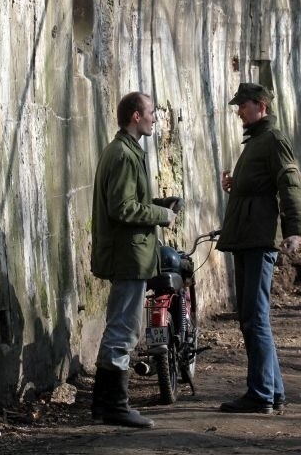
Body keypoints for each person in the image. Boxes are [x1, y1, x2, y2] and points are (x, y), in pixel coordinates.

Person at [216, 82, 301, 414]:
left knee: (254, 318)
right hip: (247, 237)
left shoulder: (273, 140)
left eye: (243, 105)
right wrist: (235, 185)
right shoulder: (256, 141)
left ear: (261, 105)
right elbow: (261, 184)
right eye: (238, 106)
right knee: (251, 317)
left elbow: (290, 182)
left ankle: (260, 395)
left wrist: (296, 230)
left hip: (259, 240)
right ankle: (274, 391)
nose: (239, 110)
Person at [90, 91, 180, 428]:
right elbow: (122, 207)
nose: (155, 117)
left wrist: (158, 203)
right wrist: (161, 214)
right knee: (124, 330)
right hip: (128, 255)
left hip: (130, 253)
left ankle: (102, 405)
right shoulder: (125, 155)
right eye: (151, 112)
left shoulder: (124, 151)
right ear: (135, 116)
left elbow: (128, 200)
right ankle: (116, 406)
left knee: (120, 326)